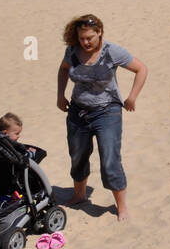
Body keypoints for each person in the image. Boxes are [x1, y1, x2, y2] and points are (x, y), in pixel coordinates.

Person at [56, 14, 147, 221]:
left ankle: (121, 207)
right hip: (78, 112)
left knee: (109, 159)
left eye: (90, 38)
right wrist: (60, 95)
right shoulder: (71, 51)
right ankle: (79, 195)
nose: (85, 42)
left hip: (107, 112)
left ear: (100, 33)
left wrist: (132, 97)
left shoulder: (112, 51)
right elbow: (63, 69)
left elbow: (141, 69)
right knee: (78, 155)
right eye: (81, 38)